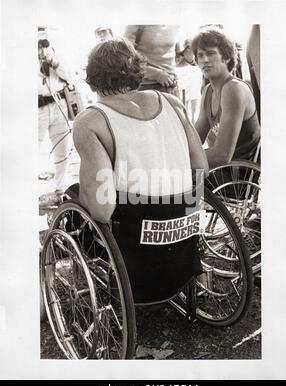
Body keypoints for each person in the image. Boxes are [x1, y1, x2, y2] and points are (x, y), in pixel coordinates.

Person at [72, 38, 208, 304]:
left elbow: (102, 209)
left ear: (92, 76)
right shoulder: (172, 103)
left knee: (73, 200)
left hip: (136, 244)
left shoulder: (91, 120)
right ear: (137, 69)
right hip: (182, 232)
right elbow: (201, 168)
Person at [192, 28, 260, 169]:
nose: (205, 60)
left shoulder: (233, 88)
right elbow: (195, 140)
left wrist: (180, 161)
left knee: (174, 183)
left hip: (235, 177)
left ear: (226, 57)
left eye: (211, 53)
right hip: (218, 173)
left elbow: (221, 155)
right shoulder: (208, 91)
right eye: (200, 55)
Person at [38, 27, 71, 205]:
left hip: (58, 104)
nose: (41, 45)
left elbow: (68, 76)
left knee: (62, 148)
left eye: (44, 40)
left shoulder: (56, 52)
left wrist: (54, 62)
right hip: (36, 106)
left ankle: (60, 189)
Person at [124, 25, 180, 96]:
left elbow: (177, 59)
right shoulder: (136, 23)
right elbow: (126, 59)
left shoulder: (174, 21)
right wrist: (157, 74)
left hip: (172, 86)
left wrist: (189, 60)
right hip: (146, 87)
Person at [175, 39, 202, 123]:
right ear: (185, 49)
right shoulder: (179, 63)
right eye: (188, 48)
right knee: (185, 108)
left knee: (195, 109)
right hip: (184, 86)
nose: (191, 51)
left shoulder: (197, 62)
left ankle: (194, 125)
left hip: (195, 85)